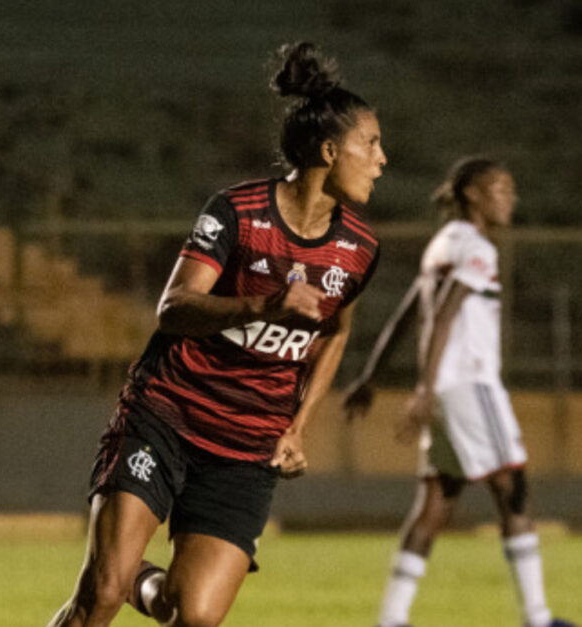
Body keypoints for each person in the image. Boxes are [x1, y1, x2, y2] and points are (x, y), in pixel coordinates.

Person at [49, 42, 385, 627]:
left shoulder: (360, 249)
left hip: (246, 449)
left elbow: (334, 334)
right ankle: (115, 572)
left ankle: (130, 573)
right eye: (372, 144)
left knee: (194, 616)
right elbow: (173, 307)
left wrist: (298, 427)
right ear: (331, 151)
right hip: (166, 418)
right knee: (99, 597)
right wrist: (262, 305)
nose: (383, 159)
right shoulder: (238, 210)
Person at [343, 157, 574, 627]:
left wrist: (371, 376)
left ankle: (391, 618)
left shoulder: (441, 245)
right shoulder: (477, 249)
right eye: (499, 188)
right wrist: (424, 389)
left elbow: (408, 314)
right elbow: (444, 316)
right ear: (472, 195)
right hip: (468, 384)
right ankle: (537, 617)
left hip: (446, 391)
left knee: (437, 500)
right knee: (513, 487)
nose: (509, 197)